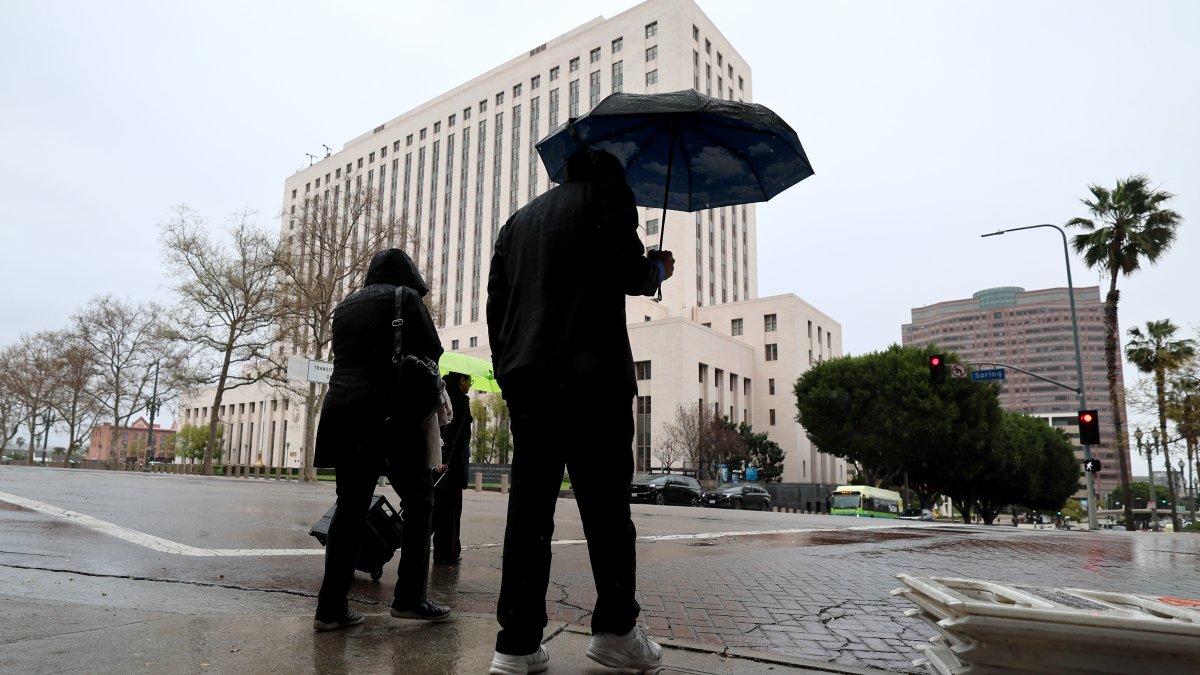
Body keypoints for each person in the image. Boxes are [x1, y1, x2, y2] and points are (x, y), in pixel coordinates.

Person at [485, 148, 674, 674]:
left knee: (528, 515)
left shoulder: (516, 223)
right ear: (609, 174)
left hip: (530, 384)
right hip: (593, 382)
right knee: (608, 513)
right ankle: (615, 630)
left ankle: (516, 644)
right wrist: (657, 267)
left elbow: (496, 306)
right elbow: (626, 270)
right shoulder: (609, 198)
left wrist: (510, 374)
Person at [312, 248, 452, 631]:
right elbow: (431, 352)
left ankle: (330, 608)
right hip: (390, 415)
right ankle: (409, 598)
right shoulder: (404, 298)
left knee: (350, 507)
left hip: (343, 413)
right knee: (421, 501)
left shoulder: (344, 307)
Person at [432, 371, 473, 564]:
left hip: (436, 457)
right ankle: (448, 553)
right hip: (452, 464)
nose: (470, 385)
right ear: (461, 380)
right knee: (452, 511)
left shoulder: (441, 393)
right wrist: (446, 459)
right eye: (469, 381)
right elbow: (454, 432)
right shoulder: (461, 400)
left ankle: (443, 551)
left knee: (439, 509)